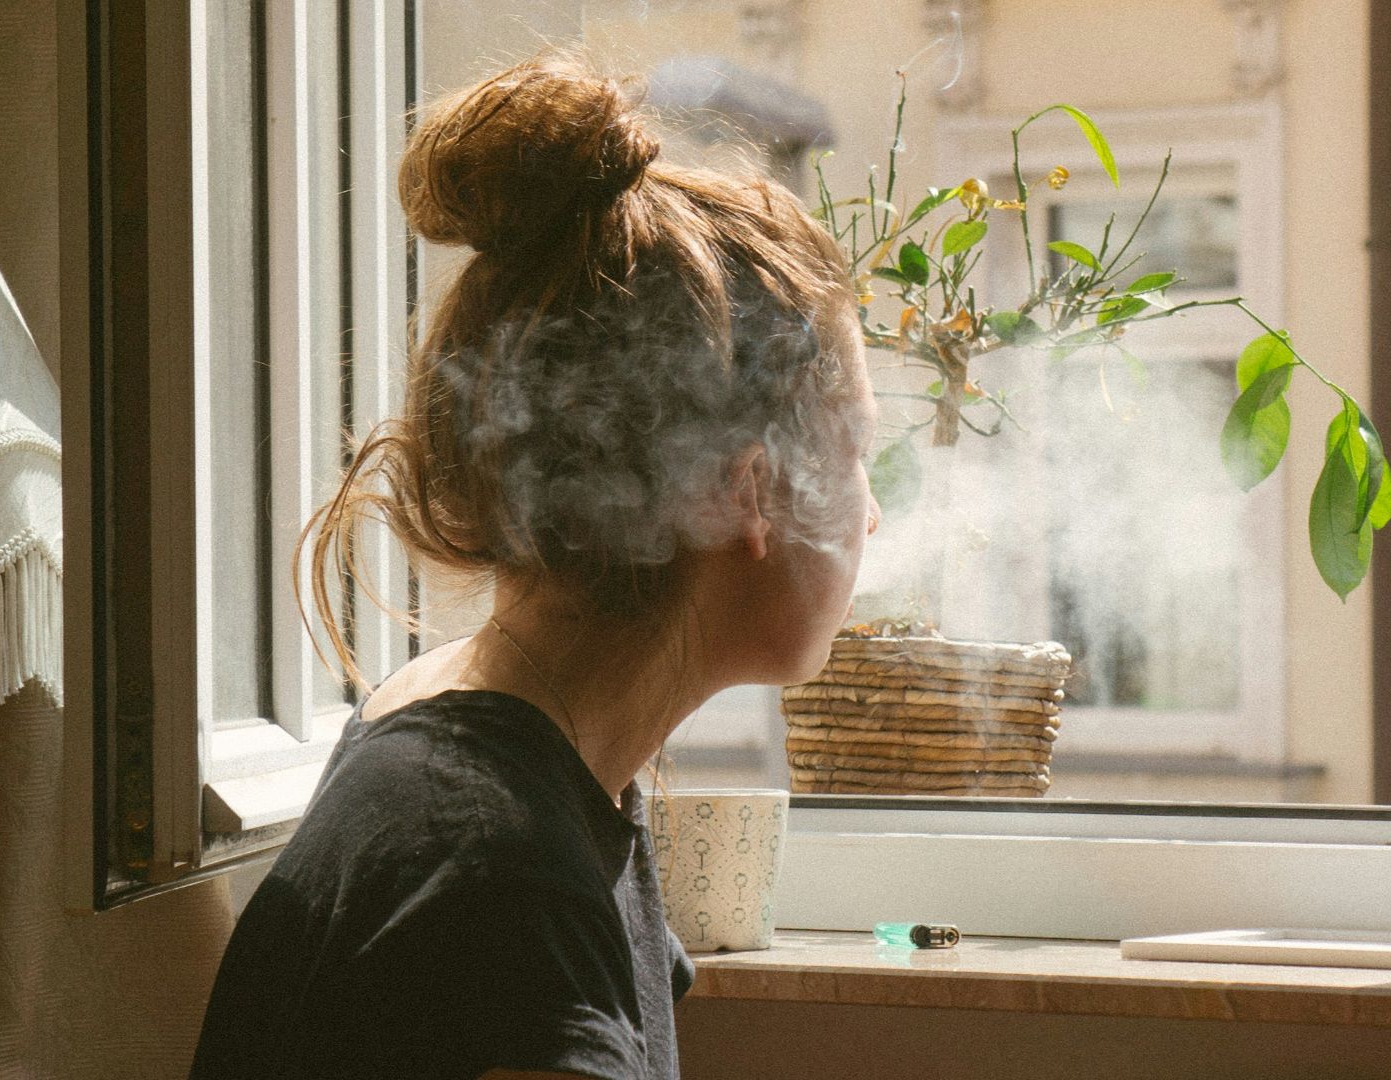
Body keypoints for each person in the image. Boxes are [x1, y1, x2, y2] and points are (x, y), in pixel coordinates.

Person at [189, 50, 880, 1080]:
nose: (873, 517)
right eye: (859, 453)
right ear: (740, 491)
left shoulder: (483, 742)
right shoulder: (501, 882)